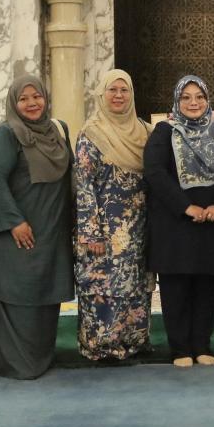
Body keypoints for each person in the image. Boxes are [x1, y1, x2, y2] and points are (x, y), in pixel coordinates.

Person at [0, 75, 75, 380]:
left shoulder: (58, 131)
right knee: (18, 293)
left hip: (51, 229)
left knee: (45, 292)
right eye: (23, 99)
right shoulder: (6, 134)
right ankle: (15, 364)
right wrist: (14, 221)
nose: (32, 103)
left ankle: (40, 359)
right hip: (18, 232)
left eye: (37, 97)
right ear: (13, 102)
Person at [143, 75, 214, 367]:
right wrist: (186, 207)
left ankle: (202, 344)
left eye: (199, 96)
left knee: (206, 288)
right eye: (186, 97)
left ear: (208, 100)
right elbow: (155, 173)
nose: (193, 102)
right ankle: (180, 348)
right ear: (177, 101)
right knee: (176, 289)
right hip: (174, 225)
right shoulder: (164, 133)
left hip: (211, 224)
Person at [73, 69, 153, 363]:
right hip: (105, 229)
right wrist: (90, 231)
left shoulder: (146, 132)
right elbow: (83, 184)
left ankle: (133, 342)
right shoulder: (91, 134)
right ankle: (102, 346)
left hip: (139, 226)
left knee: (135, 284)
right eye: (112, 90)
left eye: (124, 90)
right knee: (104, 286)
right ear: (102, 94)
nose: (118, 96)